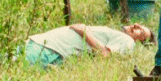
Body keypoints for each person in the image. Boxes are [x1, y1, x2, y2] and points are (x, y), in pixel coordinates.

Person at [25, 23, 153, 69]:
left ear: (139, 41)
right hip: (45, 45)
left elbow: (105, 55)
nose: (136, 25)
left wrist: (85, 32)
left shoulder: (128, 41)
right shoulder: (120, 36)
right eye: (139, 25)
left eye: (140, 31)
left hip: (48, 49)